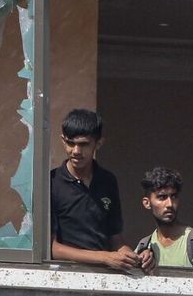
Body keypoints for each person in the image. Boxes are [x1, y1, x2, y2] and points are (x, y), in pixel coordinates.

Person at [50, 108, 155, 273]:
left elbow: (115, 238)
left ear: (98, 143)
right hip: (64, 278)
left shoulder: (108, 181)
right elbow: (52, 249)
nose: (76, 151)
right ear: (63, 141)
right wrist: (105, 257)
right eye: (71, 143)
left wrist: (136, 257)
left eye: (83, 144)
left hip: (103, 280)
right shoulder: (52, 182)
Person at [136, 167, 193, 270]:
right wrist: (139, 261)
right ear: (147, 203)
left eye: (173, 196)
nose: (169, 204)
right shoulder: (144, 246)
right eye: (162, 197)